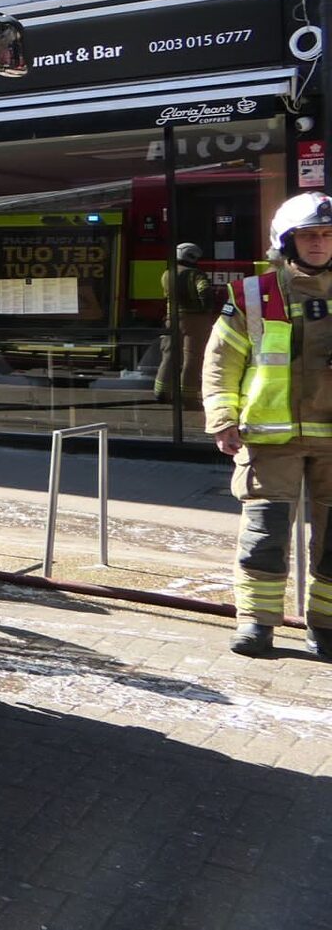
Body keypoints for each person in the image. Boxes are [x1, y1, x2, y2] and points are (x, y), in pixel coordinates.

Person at [201, 192, 332, 658]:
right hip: (269, 439)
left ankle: (326, 626)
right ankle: (257, 623)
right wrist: (222, 420)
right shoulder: (254, 295)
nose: (319, 243)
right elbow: (219, 364)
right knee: (265, 536)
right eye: (309, 235)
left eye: (327, 235)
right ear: (287, 241)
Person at [155, 242, 213, 406]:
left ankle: (161, 392)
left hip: (171, 319)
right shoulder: (196, 275)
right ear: (192, 256)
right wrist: (206, 309)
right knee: (192, 358)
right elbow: (205, 293)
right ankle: (187, 396)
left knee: (169, 355)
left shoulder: (167, 274)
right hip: (194, 320)